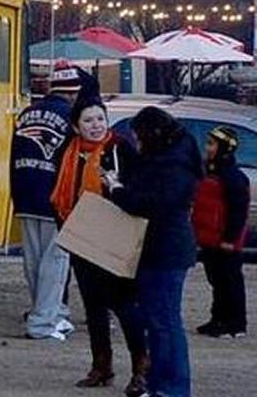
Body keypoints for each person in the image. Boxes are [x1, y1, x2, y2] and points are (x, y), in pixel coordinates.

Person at [50, 98, 148, 396]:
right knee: (93, 305)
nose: (96, 126)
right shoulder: (68, 152)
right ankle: (101, 365)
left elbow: (138, 190)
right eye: (89, 121)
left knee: (123, 304)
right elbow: (58, 192)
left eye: (100, 119)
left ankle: (141, 368)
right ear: (76, 126)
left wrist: (117, 185)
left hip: (113, 236)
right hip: (82, 235)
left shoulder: (120, 149)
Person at [105, 106, 201, 397]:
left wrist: (118, 191)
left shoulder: (172, 165)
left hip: (164, 249)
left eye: (139, 136)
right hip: (162, 247)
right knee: (159, 321)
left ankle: (172, 387)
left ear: (152, 134)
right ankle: (162, 384)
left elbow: (152, 203)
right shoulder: (176, 158)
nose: (137, 142)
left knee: (164, 322)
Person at [10, 59, 80, 340]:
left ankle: (52, 311)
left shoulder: (26, 114)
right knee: (56, 261)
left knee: (34, 260)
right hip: (56, 197)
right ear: (73, 93)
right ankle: (44, 321)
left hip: (24, 191)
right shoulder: (71, 119)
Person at [194, 126, 250, 338]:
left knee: (229, 281)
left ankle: (235, 323)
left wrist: (230, 238)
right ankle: (218, 318)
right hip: (210, 237)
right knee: (216, 280)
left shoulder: (232, 177)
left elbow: (238, 210)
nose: (207, 148)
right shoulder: (210, 170)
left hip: (224, 239)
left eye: (211, 144)